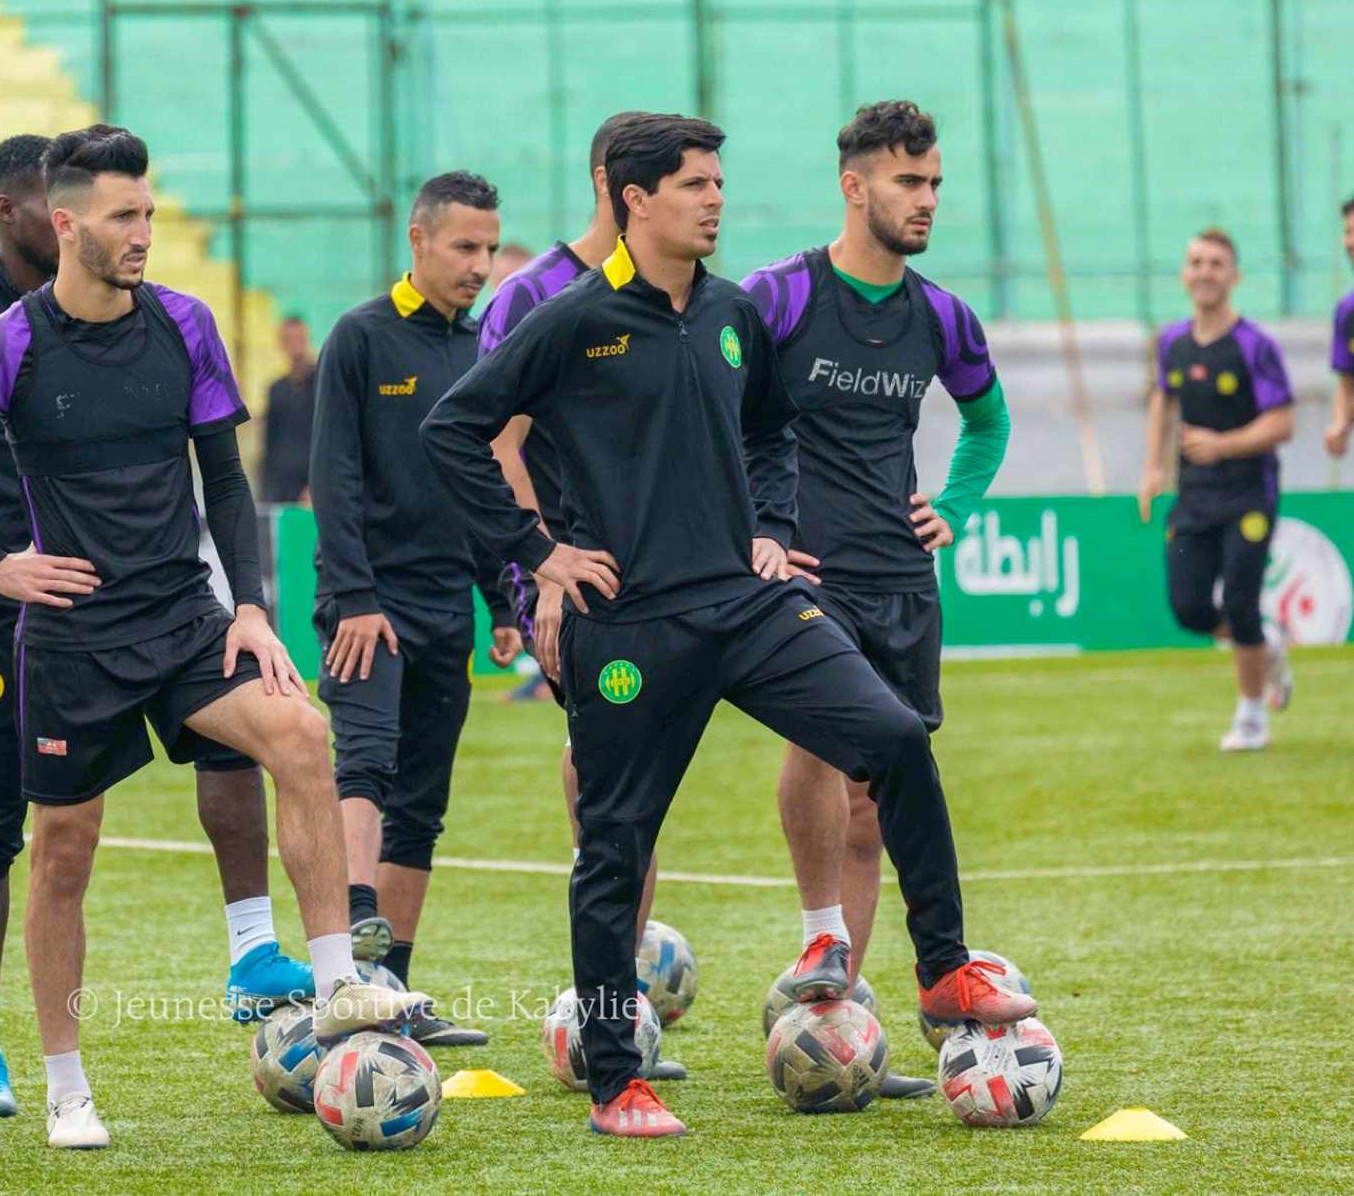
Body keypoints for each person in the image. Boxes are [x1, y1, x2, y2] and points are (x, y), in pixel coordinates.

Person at [422, 113, 1036, 1138]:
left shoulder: (730, 313)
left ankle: (941, 975)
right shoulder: (571, 321)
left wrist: (772, 526)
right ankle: (618, 1078)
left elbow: (769, 430)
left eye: (716, 181)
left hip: (744, 600)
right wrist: (534, 556)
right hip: (628, 622)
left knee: (890, 737)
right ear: (633, 198)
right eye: (694, 184)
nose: (714, 198)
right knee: (614, 845)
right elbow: (453, 431)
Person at [0, 124, 429, 1150]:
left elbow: (221, 474)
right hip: (70, 645)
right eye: (124, 216)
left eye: (150, 213)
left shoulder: (184, 325)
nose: (143, 233)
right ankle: (64, 1085)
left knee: (299, 736)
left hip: (183, 623)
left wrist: (249, 607)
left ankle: (341, 982)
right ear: (68, 221)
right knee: (63, 854)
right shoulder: (5, 342)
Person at [741, 99, 1012, 1101]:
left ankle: (842, 1009)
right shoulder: (774, 299)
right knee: (818, 748)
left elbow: (985, 423)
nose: (925, 199)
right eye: (907, 181)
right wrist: (755, 534)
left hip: (901, 581)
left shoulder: (940, 315)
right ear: (853, 186)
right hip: (802, 581)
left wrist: (952, 505)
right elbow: (710, 418)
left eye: (933, 182)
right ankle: (824, 946)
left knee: (873, 796)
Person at [308, 171, 522, 1047]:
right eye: (464, 247)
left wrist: (501, 600)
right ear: (419, 240)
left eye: (489, 249)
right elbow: (335, 476)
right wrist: (355, 597)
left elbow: (479, 488)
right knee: (363, 761)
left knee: (423, 804)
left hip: (446, 607)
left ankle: (390, 991)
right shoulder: (359, 337)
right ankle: (352, 936)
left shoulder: (483, 351)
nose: (480, 265)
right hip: (370, 605)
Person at [480, 110, 662, 938]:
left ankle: (623, 977)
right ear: (610, 185)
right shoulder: (530, 296)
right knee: (613, 757)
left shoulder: (673, 289)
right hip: (570, 568)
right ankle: (613, 985)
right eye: (680, 181)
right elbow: (494, 444)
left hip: (663, 562)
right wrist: (545, 565)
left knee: (639, 763)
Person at [1138, 228, 1296, 750]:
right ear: (1185, 274)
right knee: (1188, 608)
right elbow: (1163, 399)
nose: (1205, 272)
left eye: (1216, 264)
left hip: (1250, 494)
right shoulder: (1172, 343)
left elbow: (1283, 422)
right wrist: (1152, 469)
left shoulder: (1254, 345)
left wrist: (1222, 444)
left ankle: (1253, 716)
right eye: (1197, 262)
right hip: (1195, 496)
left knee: (1244, 601)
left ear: (1234, 276)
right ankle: (1266, 646)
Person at [258, 316, 317, 503]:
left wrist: (317, 484)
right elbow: (270, 443)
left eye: (299, 338)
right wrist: (266, 490)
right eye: (289, 339)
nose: (295, 345)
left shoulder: (322, 382)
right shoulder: (276, 389)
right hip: (281, 487)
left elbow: (330, 437)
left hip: (312, 485)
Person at [1327, 195, 1354, 458]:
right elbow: (1347, 384)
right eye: (1348, 232)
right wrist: (1340, 423)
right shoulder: (1348, 311)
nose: (1351, 242)